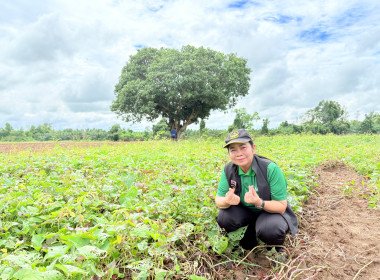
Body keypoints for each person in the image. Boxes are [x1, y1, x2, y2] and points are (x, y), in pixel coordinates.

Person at [215, 129, 298, 260]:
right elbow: (218, 200)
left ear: (253, 148)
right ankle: (248, 242)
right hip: (245, 213)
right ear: (229, 153)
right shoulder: (228, 170)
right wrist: (227, 201)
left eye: (243, 147)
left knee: (271, 228)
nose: (239, 154)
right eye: (233, 150)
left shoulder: (270, 169)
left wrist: (259, 202)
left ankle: (275, 250)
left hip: (269, 213)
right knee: (224, 216)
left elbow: (281, 206)